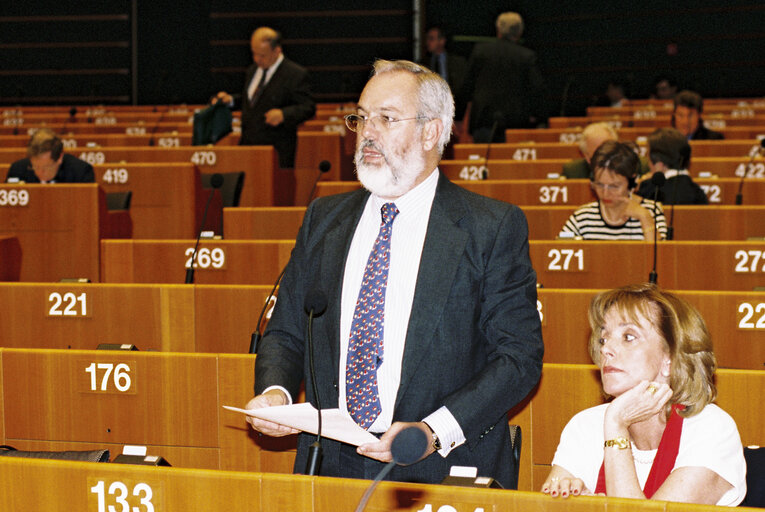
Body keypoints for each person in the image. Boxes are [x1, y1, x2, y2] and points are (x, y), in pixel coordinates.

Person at [245, 59, 543, 488]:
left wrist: (432, 431)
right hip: (331, 463)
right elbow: (287, 330)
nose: (367, 132)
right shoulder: (324, 219)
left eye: (386, 118)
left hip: (441, 466)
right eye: (361, 117)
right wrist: (277, 393)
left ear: (431, 131)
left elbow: (518, 358)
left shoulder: (490, 227)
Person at [541, 284, 746, 506]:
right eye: (603, 338)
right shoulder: (585, 425)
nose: (606, 349)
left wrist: (616, 427)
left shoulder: (711, 428)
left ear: (670, 358)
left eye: (628, 337)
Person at [216, 27, 316, 168]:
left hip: (276, 151)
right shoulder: (252, 70)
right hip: (248, 147)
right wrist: (231, 100)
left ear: (277, 50)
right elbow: (253, 102)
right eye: (254, 54)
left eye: (262, 55)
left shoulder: (295, 74)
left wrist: (283, 114)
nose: (257, 59)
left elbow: (308, 107)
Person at [456, 12, 544, 142]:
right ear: (519, 32)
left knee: (484, 160)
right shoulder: (526, 56)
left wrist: (458, 116)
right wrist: (537, 117)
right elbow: (537, 89)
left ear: (498, 30)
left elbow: (467, 86)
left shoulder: (480, 52)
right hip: (517, 124)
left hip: (483, 121)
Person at [560, 141, 667, 240]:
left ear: (632, 182)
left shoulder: (652, 211)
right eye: (600, 185)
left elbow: (662, 257)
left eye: (614, 186)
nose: (605, 193)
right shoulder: (582, 217)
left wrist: (645, 218)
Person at [637, 127, 708, 205]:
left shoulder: (649, 190)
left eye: (648, 156)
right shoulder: (699, 193)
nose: (648, 164)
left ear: (659, 164)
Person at [562, 122, 650, 179]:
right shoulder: (573, 171)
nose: (606, 155)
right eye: (599, 153)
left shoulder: (640, 166)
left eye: (609, 149)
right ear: (587, 157)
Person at [6, 128, 94, 184]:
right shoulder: (17, 171)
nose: (39, 173)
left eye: (45, 167)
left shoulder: (80, 173)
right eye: (35, 167)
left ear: (59, 158)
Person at [421, 25, 467, 95]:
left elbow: (463, 87)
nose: (428, 42)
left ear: (442, 41)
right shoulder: (423, 63)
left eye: (431, 39)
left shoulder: (457, 62)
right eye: (427, 39)